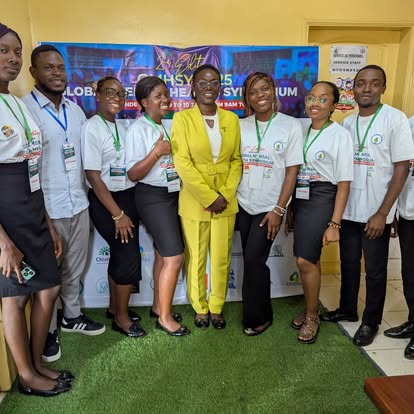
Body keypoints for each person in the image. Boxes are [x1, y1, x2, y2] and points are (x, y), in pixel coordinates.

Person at [319, 65, 414, 347]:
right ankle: (347, 308)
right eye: (361, 83)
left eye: (374, 83)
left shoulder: (394, 120)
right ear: (353, 88)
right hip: (349, 209)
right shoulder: (347, 123)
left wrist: (384, 213)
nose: (367, 88)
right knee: (348, 263)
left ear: (383, 88)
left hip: (376, 212)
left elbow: (402, 168)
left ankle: (371, 322)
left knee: (374, 270)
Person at [0, 23, 71, 396]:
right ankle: (27, 377)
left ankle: (38, 363)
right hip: (7, 215)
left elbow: (32, 167)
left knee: (49, 287)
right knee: (14, 297)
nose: (12, 58)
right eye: (3, 51)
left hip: (32, 207)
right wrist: (2, 243)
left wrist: (47, 222)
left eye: (16, 51)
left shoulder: (14, 101)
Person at [23, 45, 105, 363]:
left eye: (60, 67)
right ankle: (48, 331)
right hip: (47, 209)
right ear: (34, 72)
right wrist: (41, 216)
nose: (57, 73)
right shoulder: (25, 110)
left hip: (78, 204)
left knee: (73, 268)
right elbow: (25, 169)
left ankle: (71, 317)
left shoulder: (75, 111)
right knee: (48, 276)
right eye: (48, 68)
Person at [171, 64, 242, 329]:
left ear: (220, 87)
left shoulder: (231, 119)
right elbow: (182, 161)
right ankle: (200, 307)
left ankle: (216, 306)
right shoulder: (182, 119)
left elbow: (236, 160)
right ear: (193, 87)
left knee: (221, 257)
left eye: (214, 83)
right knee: (197, 257)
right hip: (195, 200)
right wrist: (208, 197)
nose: (208, 88)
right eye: (203, 83)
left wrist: (224, 194)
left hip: (225, 201)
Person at [237, 72, 302, 336]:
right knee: (251, 260)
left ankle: (259, 317)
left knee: (254, 259)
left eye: (264, 89)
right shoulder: (241, 125)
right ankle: (256, 311)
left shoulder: (290, 126)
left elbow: (292, 171)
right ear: (247, 98)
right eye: (253, 92)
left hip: (269, 207)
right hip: (243, 204)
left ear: (273, 90)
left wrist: (279, 209)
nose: (259, 95)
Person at [126, 76, 190, 336]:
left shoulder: (166, 125)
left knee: (164, 254)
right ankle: (165, 318)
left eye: (166, 94)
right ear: (144, 102)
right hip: (152, 197)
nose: (165, 100)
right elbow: (133, 174)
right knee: (175, 257)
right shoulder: (138, 129)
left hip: (171, 194)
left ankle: (157, 307)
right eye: (158, 96)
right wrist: (156, 152)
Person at [290, 81, 353, 343]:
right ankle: (311, 308)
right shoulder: (301, 128)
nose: (315, 103)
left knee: (304, 261)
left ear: (334, 105)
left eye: (323, 99)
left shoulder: (340, 135)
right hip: (301, 196)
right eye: (311, 98)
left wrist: (334, 223)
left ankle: (312, 317)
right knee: (311, 258)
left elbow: (344, 184)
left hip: (323, 197)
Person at [81, 76, 145, 338]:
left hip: (126, 196)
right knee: (127, 256)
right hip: (107, 201)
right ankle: (121, 318)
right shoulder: (91, 127)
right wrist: (118, 215)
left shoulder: (120, 126)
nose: (116, 98)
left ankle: (114, 308)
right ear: (97, 95)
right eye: (109, 92)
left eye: (120, 93)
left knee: (120, 254)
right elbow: (93, 176)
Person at [384, 115, 414, 359]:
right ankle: (413, 321)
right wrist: (394, 209)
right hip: (408, 213)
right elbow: (402, 170)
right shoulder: (410, 123)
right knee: (410, 273)